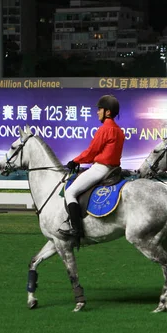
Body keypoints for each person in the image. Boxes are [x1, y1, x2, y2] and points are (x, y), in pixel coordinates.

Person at [58, 94, 125, 237]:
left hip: (101, 168)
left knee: (70, 192)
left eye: (100, 109)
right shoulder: (119, 131)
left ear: (107, 112)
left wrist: (75, 161)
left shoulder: (105, 129)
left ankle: (76, 229)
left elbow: (92, 151)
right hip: (113, 170)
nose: (97, 112)